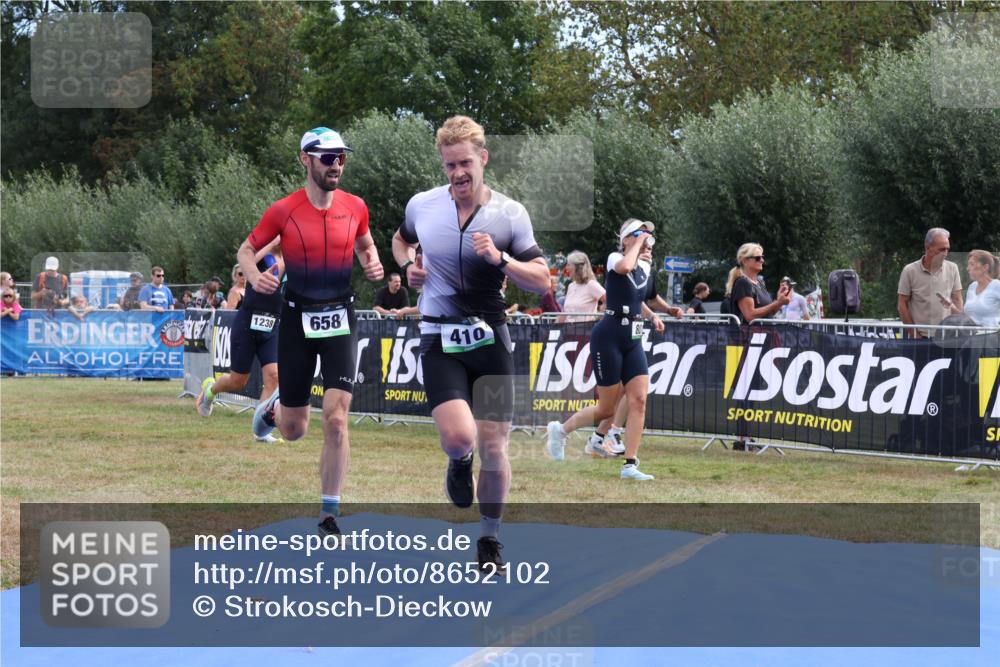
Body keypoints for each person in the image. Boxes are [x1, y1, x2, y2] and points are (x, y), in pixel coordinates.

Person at [391, 115, 549, 570]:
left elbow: (542, 281)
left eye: (464, 163)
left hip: (490, 337)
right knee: (462, 437)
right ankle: (458, 460)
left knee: (496, 444)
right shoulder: (423, 205)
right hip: (440, 335)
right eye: (449, 166)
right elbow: (400, 242)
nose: (458, 174)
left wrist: (500, 259)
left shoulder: (510, 214)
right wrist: (408, 267)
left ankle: (489, 539)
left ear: (483, 158)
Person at [249, 126, 383, 538]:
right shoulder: (283, 210)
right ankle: (274, 409)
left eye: (341, 157)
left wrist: (372, 263)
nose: (337, 164)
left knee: (337, 419)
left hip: (340, 318)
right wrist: (255, 277)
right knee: (295, 430)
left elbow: (366, 245)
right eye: (328, 157)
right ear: (305, 159)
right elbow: (246, 250)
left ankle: (329, 512)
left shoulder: (356, 206)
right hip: (297, 321)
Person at [547, 219, 666, 480]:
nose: (645, 240)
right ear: (625, 240)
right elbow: (625, 266)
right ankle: (561, 431)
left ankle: (630, 465)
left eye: (647, 237)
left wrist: (659, 314)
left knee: (639, 400)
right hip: (609, 335)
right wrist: (635, 245)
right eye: (638, 234)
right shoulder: (616, 258)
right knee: (606, 409)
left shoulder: (645, 267)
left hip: (632, 338)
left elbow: (639, 297)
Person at [586, 241, 683, 459]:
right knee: (615, 396)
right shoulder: (617, 260)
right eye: (644, 245)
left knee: (633, 393)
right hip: (613, 331)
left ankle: (607, 437)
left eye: (650, 246)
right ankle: (592, 433)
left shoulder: (647, 270)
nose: (648, 249)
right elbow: (626, 279)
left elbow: (645, 298)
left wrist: (663, 311)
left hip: (634, 333)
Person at [198, 241, 286, 443]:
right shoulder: (264, 254)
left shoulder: (292, 256)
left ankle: (261, 432)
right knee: (238, 381)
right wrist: (272, 242)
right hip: (247, 323)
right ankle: (210, 391)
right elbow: (248, 262)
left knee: (274, 377)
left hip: (272, 325)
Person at [897, 228, 963, 337]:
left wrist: (957, 326)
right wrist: (914, 334)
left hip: (946, 337)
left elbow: (958, 299)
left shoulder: (952, 268)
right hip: (919, 338)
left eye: (947, 249)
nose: (945, 253)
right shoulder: (910, 270)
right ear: (927, 247)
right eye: (941, 249)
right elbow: (902, 304)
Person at [726, 243, 790, 324]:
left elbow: (771, 312)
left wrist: (780, 300)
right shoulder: (743, 283)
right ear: (745, 261)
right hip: (751, 335)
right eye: (758, 258)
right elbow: (750, 316)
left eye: (762, 257)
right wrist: (778, 303)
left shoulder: (760, 282)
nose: (762, 260)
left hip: (765, 333)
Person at [947, 249, 1000, 328]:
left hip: (989, 337)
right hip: (970, 337)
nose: (967, 268)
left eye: (971, 264)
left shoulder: (996, 285)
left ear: (985, 267)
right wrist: (951, 306)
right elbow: (967, 317)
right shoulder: (972, 287)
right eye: (968, 265)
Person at [562, 250, 605, 319]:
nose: (566, 268)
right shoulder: (571, 286)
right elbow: (564, 313)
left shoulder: (591, 285)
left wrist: (600, 318)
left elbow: (610, 302)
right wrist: (553, 328)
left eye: (569, 265)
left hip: (586, 329)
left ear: (578, 267)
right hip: (569, 328)